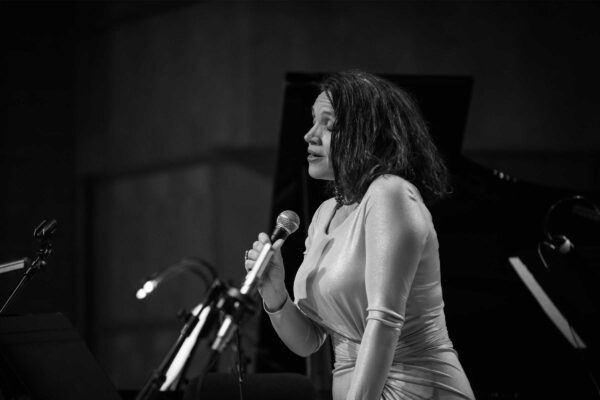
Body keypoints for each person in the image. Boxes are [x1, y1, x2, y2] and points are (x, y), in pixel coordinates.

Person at [244, 70, 474, 400]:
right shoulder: (325, 213)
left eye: (330, 125)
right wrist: (275, 293)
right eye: (313, 122)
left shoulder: (390, 194)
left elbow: (384, 321)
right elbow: (310, 342)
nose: (310, 135)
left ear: (366, 134)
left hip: (417, 390)